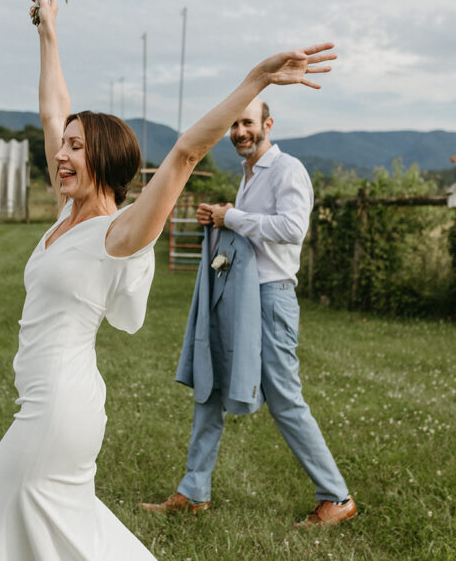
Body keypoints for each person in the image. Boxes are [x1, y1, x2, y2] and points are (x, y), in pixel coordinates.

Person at [0, 0, 337, 559]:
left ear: (103, 159)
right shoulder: (67, 214)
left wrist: (256, 78)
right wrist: (48, 33)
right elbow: (53, 109)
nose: (61, 153)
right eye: (63, 145)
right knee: (49, 533)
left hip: (59, 408)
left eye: (76, 147)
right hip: (41, 400)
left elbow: (185, 153)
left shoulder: (120, 233)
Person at [140, 97, 357, 528]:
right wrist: (220, 218)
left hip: (271, 299)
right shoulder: (248, 176)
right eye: (234, 124)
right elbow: (247, 227)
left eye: (248, 122)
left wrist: (233, 216)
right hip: (237, 295)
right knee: (211, 385)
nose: (240, 131)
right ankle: (193, 491)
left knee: (284, 398)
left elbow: (293, 229)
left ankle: (336, 496)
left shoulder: (287, 169)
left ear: (268, 124)